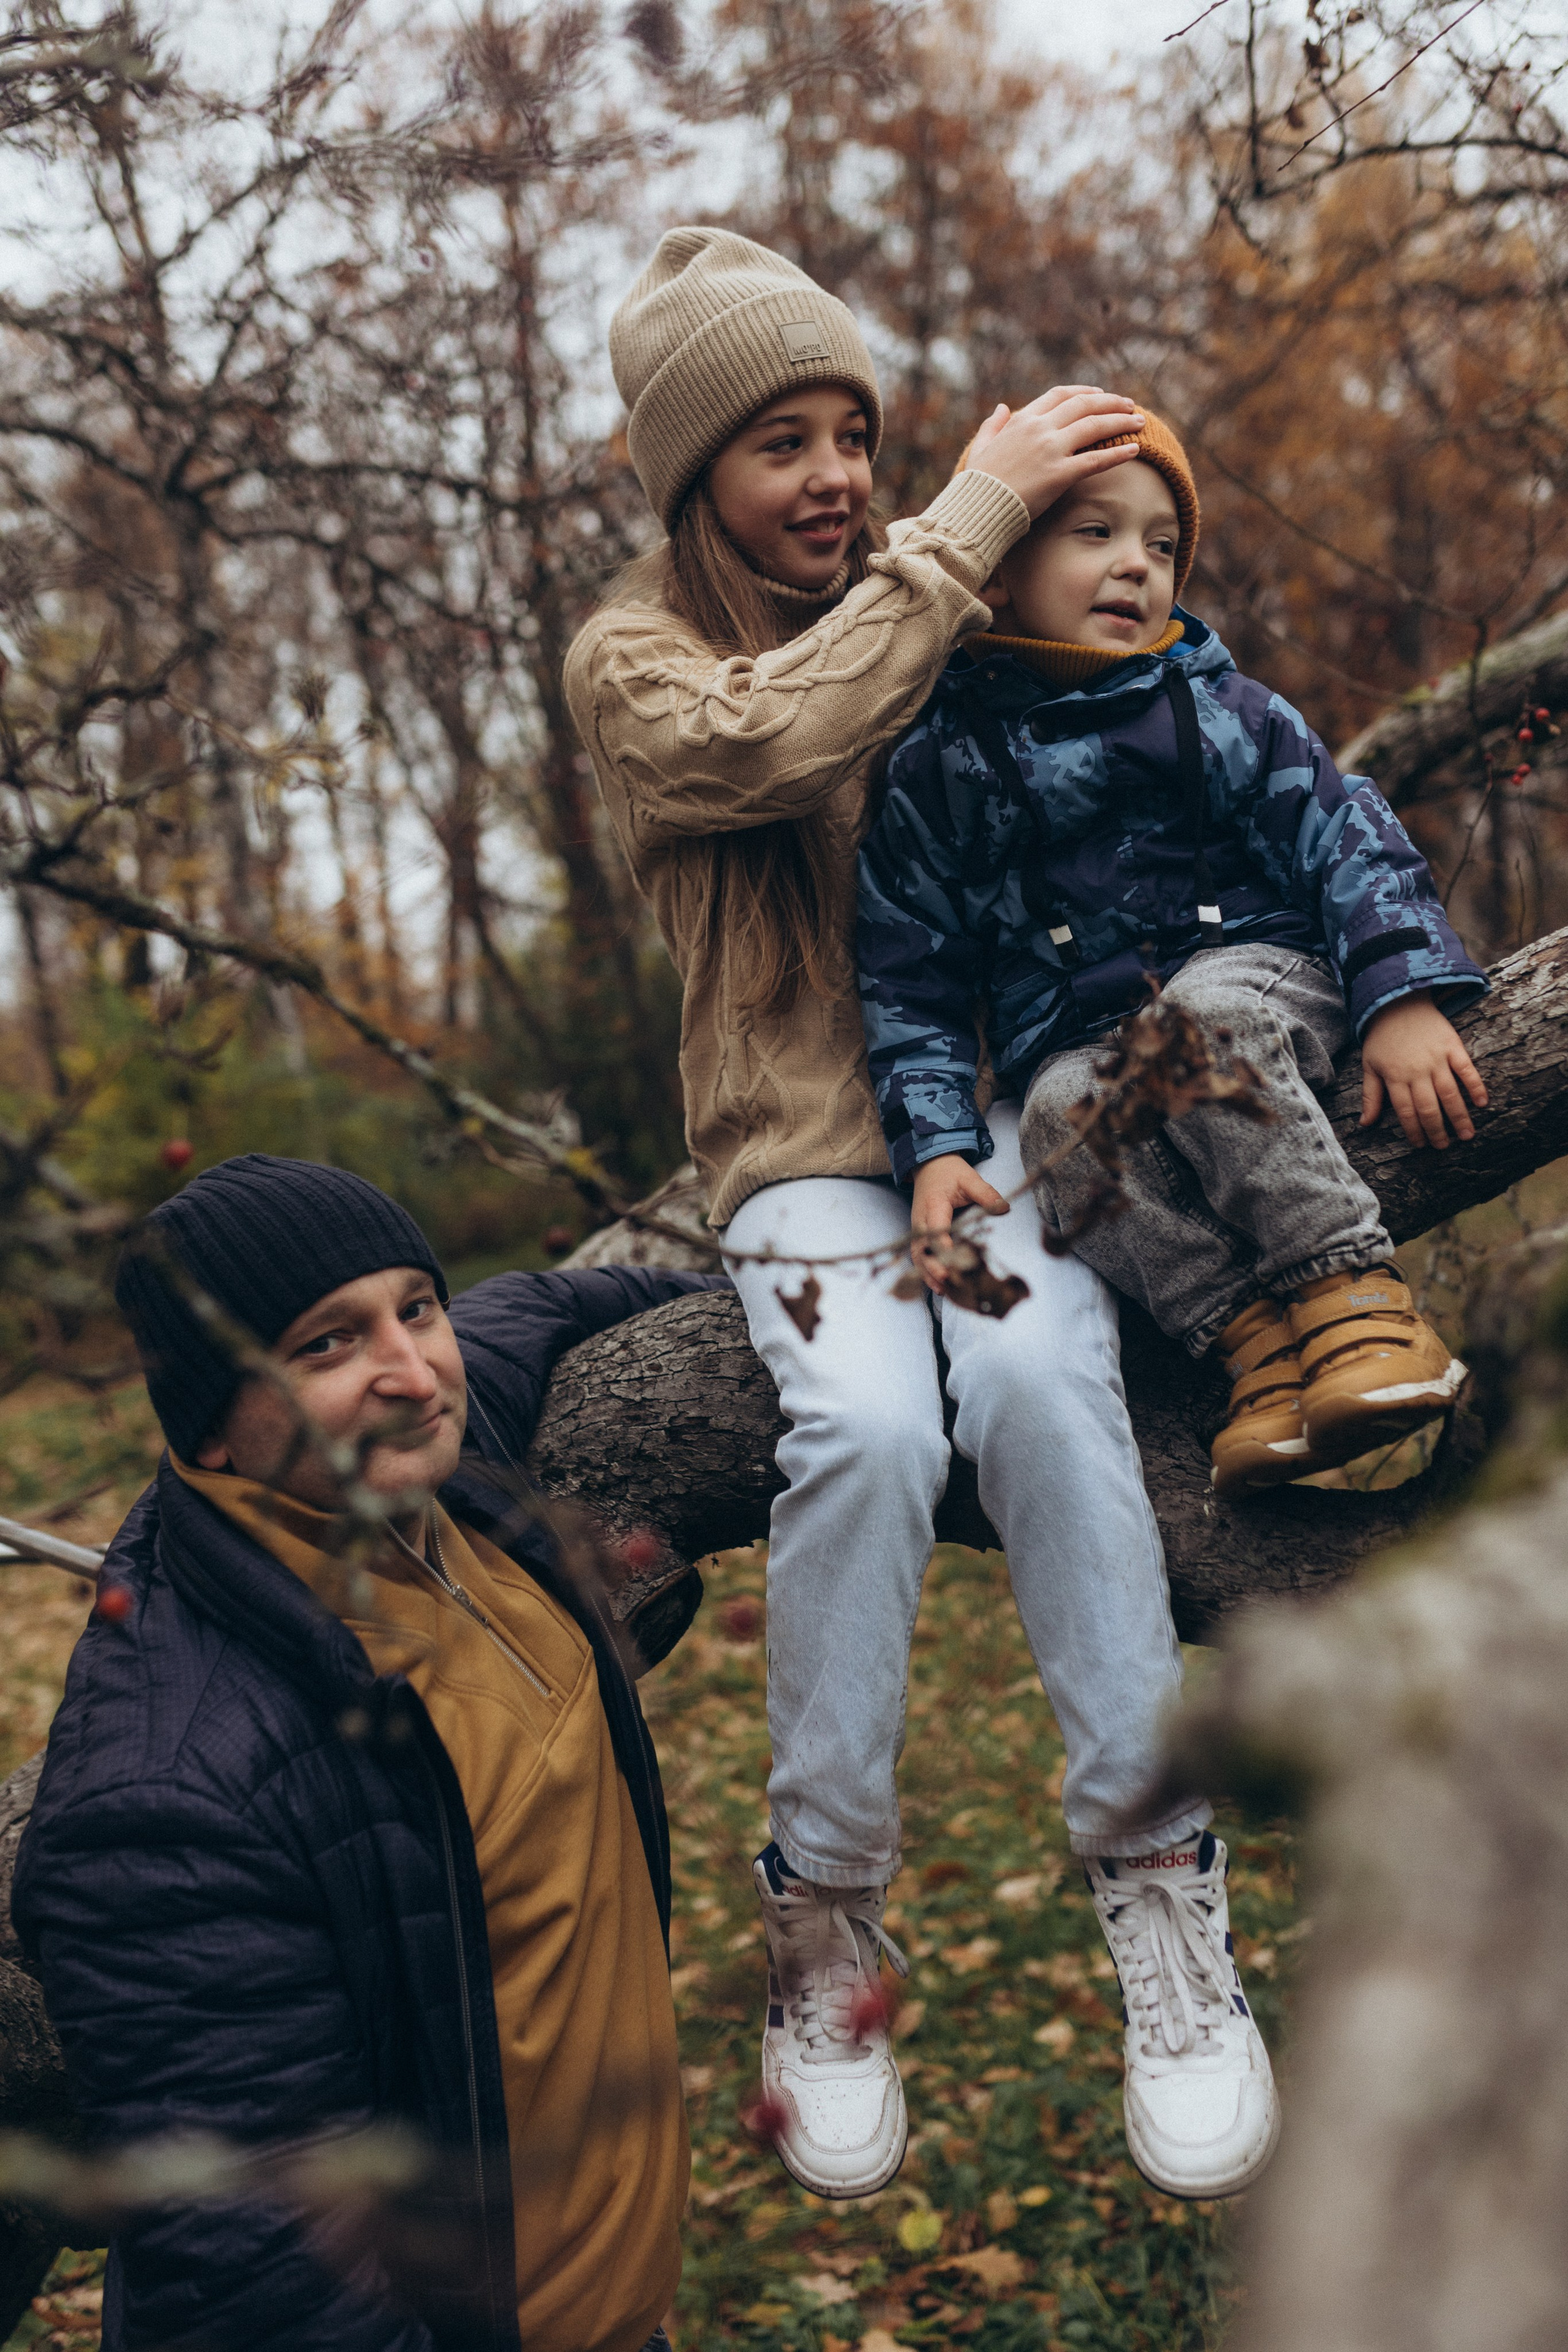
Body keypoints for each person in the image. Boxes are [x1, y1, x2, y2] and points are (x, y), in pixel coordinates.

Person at [566, 226, 1277, 2208]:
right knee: (873, 1428)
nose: (833, 478)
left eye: (853, 435)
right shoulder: (634, 654)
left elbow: (1145, 724)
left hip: (999, 1132)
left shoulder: (944, 594)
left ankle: (1159, 1878)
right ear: (692, 472)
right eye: (779, 441)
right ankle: (824, 1919)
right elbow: (767, 738)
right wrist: (962, 530)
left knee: (1042, 1388)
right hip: (803, 1152)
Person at [12, 1153, 725, 2352]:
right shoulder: (164, 1800)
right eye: (325, 1344)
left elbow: (544, 1303)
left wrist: (808, 1302)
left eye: (415, 1306)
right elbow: (270, 2287)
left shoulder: (431, 1462)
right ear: (213, 1424)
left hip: (627, 2311)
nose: (412, 1369)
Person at [856, 409, 1487, 1490]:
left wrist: (1400, 996)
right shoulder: (937, 769)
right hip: (1083, 1036)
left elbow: (1342, 833)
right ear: (997, 569)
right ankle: (1255, 1349)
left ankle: (1353, 1297)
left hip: (1252, 972)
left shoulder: (1217, 706)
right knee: (1056, 1116)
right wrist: (937, 1143)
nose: (1136, 566)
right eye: (1095, 533)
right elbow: (907, 967)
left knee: (1198, 1027)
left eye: (1160, 545)